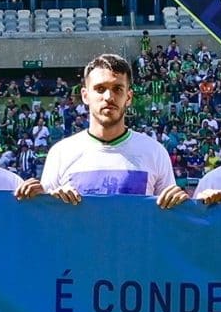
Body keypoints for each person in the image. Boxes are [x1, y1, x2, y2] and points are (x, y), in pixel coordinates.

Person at [38, 54, 186, 207]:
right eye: (100, 89)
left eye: (117, 89)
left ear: (128, 97)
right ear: (85, 95)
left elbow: (167, 220)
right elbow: (46, 219)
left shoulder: (154, 152)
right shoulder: (61, 153)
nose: (109, 97)